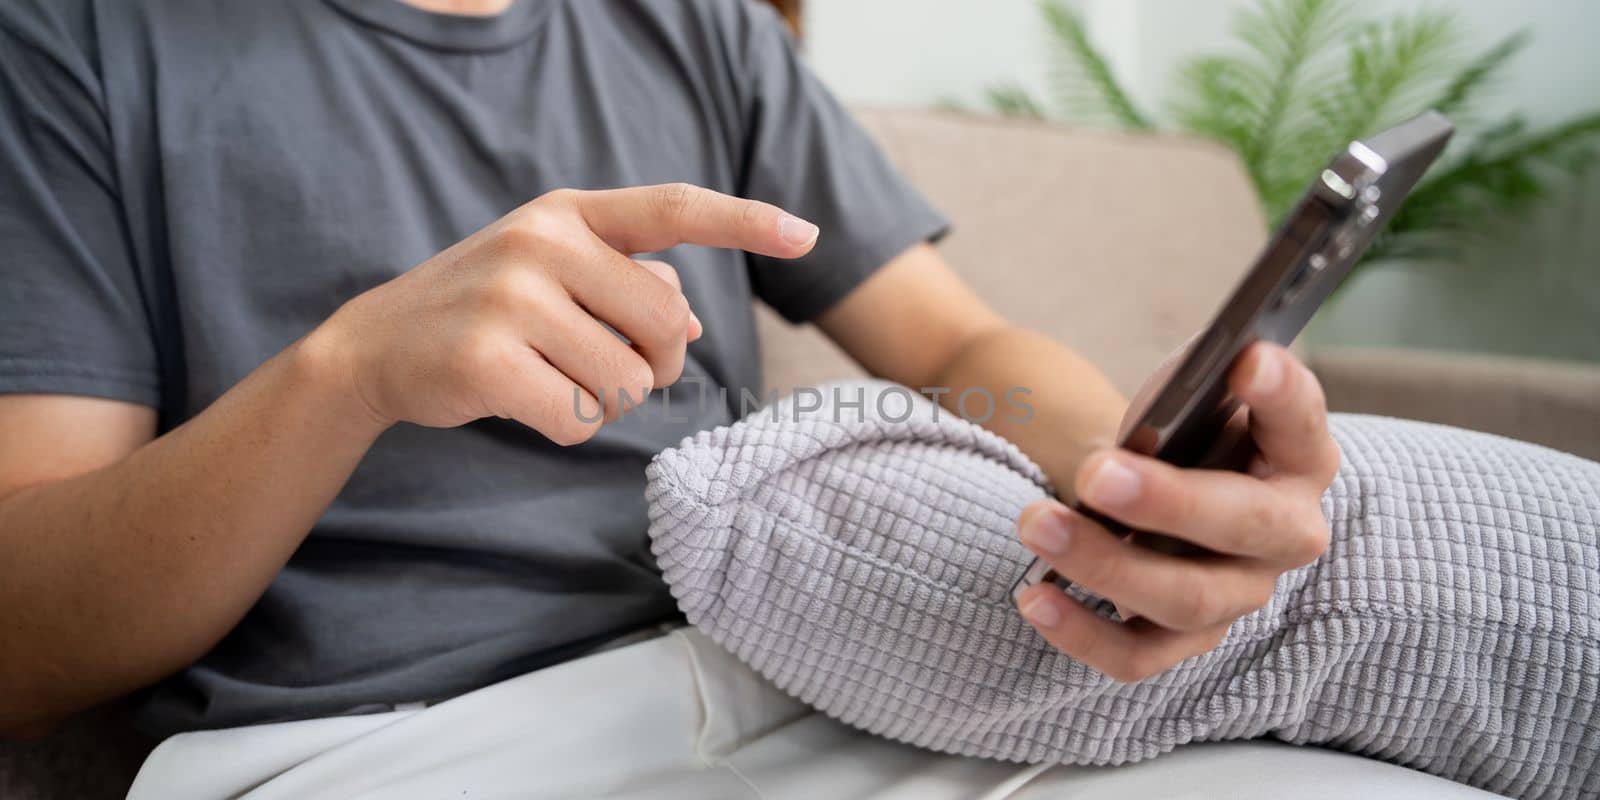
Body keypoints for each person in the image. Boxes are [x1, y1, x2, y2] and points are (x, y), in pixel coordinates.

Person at [0, 0, 1334, 765]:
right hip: (383, 742)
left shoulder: (691, 23)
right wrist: (351, 372)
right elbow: (23, 645)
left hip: (784, 675)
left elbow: (956, 354)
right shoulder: (69, 42)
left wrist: (1124, 469)